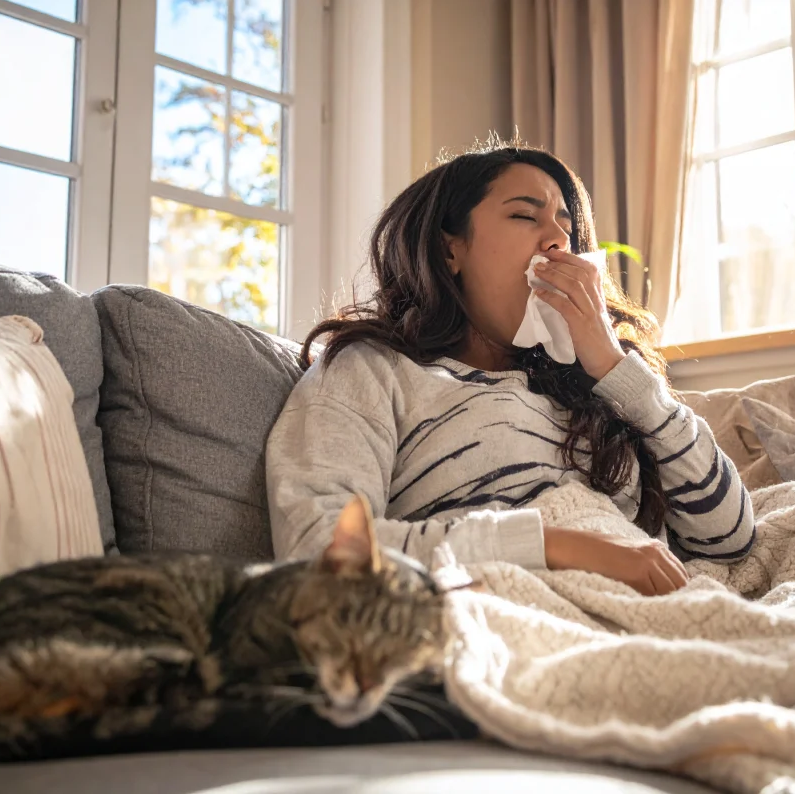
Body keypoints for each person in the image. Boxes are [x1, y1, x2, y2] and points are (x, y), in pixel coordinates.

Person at [266, 140, 754, 596]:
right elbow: (321, 550)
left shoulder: (599, 392)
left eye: (567, 227)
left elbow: (730, 538)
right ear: (448, 250)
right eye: (525, 215)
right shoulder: (373, 370)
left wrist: (612, 363)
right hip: (501, 625)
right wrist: (555, 546)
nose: (558, 241)